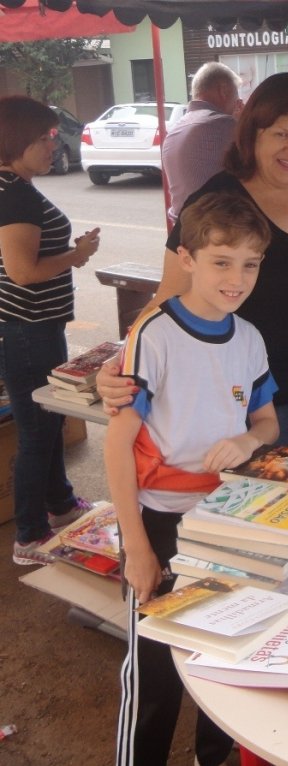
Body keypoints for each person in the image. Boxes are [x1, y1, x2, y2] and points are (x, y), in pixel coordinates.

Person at [106, 191, 279, 766]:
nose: (237, 278)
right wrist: (136, 546)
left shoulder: (249, 338)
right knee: (155, 665)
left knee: (218, 647)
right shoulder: (153, 332)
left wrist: (248, 441)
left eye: (250, 264)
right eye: (221, 261)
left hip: (224, 521)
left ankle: (215, 755)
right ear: (186, 258)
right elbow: (116, 441)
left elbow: (266, 420)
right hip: (159, 519)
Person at [98, 72, 288, 451]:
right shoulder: (216, 200)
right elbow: (168, 296)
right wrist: (120, 364)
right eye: (281, 134)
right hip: (259, 404)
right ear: (254, 132)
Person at [0, 96, 100, 566]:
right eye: (44, 136)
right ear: (17, 140)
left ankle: (59, 503)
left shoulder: (12, 185)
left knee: (50, 418)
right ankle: (29, 537)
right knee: (38, 428)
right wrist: (77, 255)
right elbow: (22, 270)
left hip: (31, 327)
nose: (53, 144)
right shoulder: (14, 193)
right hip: (27, 330)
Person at [162, 61, 243, 224]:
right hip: (216, 228)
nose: (238, 101)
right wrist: (244, 121)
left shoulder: (176, 128)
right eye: (236, 94)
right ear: (224, 90)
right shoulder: (222, 124)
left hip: (183, 225)